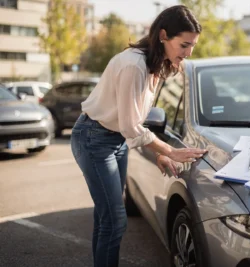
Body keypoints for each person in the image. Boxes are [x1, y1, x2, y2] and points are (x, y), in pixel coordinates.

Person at [70, 5, 205, 267]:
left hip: (115, 140)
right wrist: (168, 151)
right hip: (94, 139)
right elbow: (132, 126)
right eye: (184, 45)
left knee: (105, 217)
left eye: (193, 46)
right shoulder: (133, 65)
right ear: (163, 35)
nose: (188, 53)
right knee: (115, 220)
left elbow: (132, 122)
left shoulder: (157, 63)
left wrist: (158, 153)